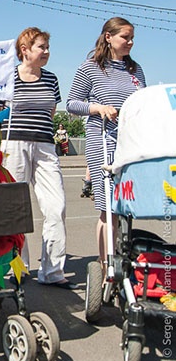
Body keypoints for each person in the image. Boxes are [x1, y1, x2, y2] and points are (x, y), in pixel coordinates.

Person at [0, 27, 73, 289]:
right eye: (41, 47)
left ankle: (52, 271)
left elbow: (50, 112)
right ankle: (18, 268)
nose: (46, 52)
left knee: (56, 206)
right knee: (15, 208)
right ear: (24, 50)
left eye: (47, 47)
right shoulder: (7, 77)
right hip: (14, 144)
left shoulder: (52, 79)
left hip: (45, 147)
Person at [66, 16, 145, 268]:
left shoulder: (136, 70)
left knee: (127, 207)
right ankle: (104, 266)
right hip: (104, 142)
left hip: (132, 144)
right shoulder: (90, 68)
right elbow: (72, 103)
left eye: (132, 38)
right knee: (107, 208)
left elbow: (143, 101)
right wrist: (98, 107)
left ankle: (125, 261)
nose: (130, 42)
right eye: (125, 37)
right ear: (108, 37)